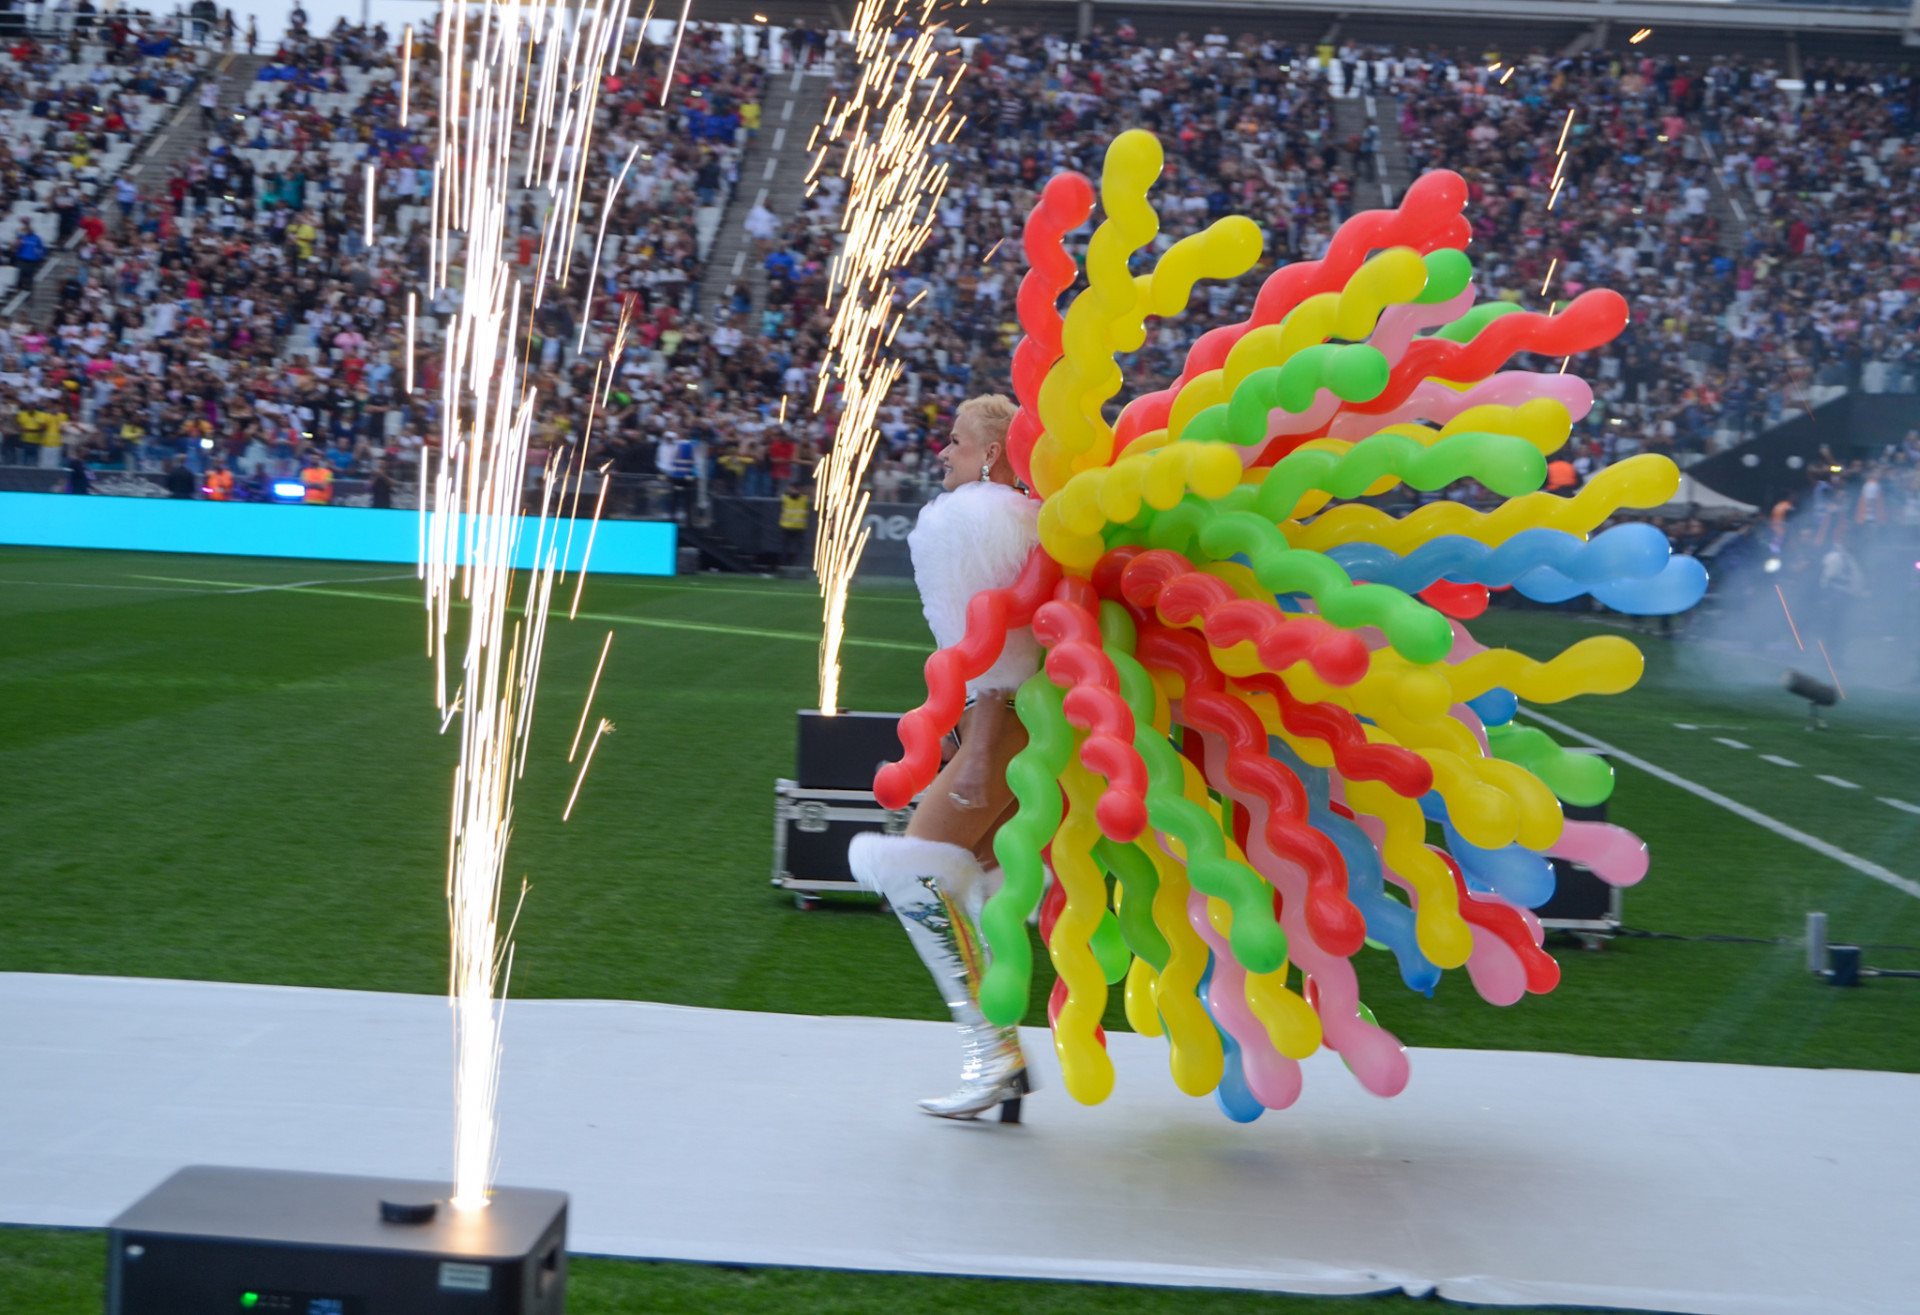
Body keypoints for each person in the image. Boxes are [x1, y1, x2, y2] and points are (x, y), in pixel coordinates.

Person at [847, 394, 1041, 1121]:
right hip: (1030, 737)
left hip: (1005, 732)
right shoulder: (1020, 520)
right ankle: (1002, 1056)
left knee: (914, 872)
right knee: (976, 888)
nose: (942, 451)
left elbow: (1000, 663)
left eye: (955, 441)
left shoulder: (973, 521)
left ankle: (995, 1058)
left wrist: (980, 754)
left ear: (991, 453)